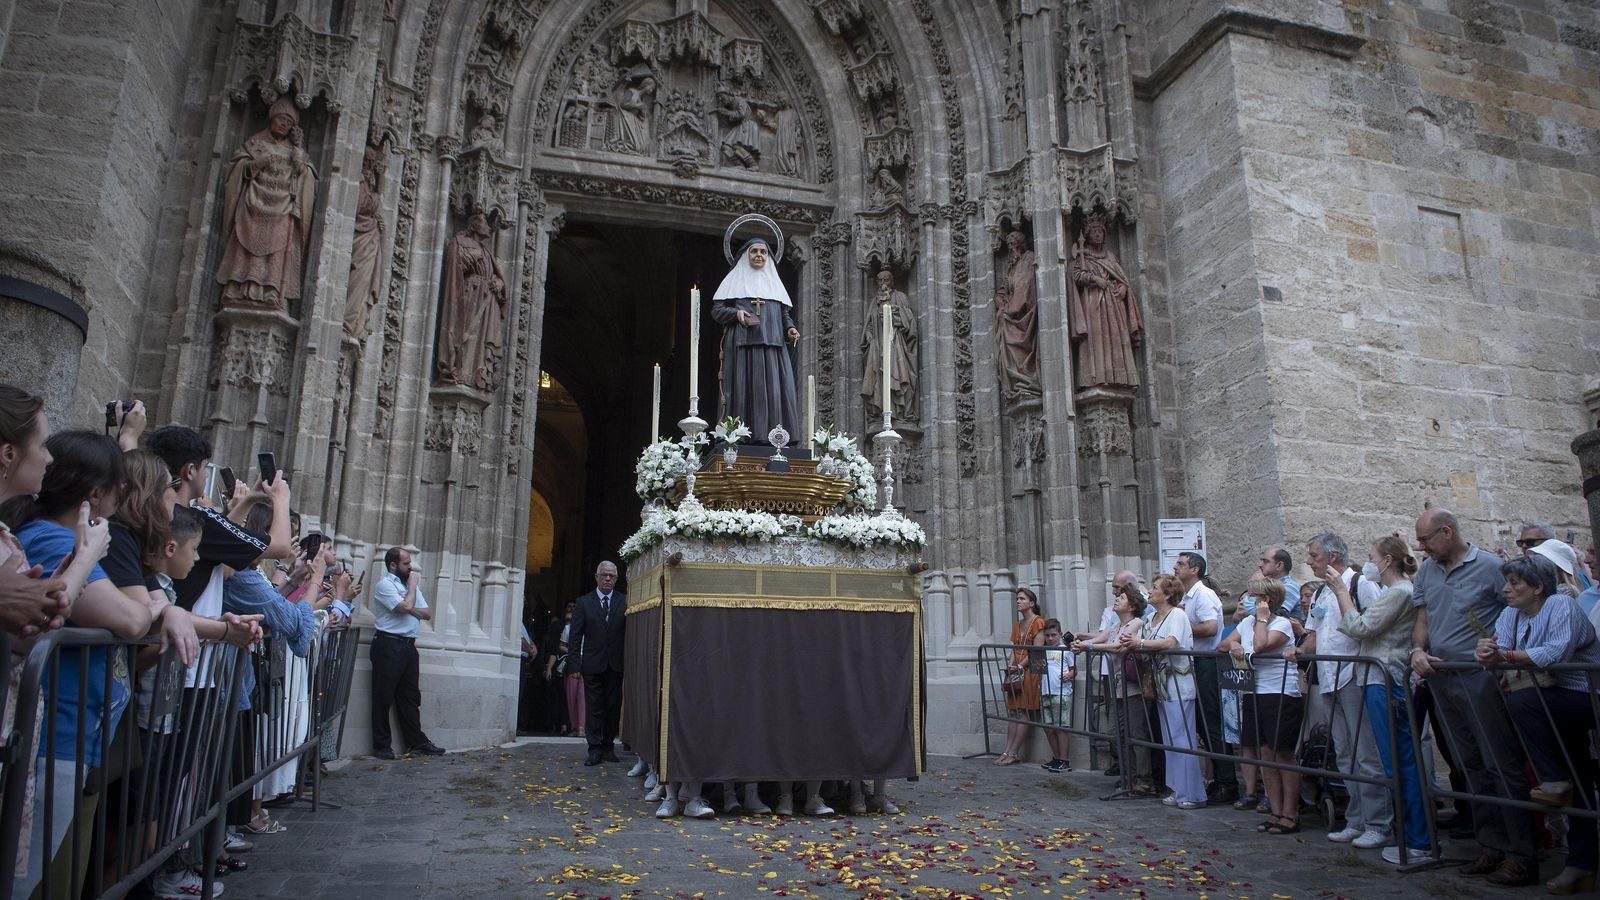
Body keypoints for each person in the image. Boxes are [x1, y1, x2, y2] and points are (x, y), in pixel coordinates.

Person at [4, 432, 151, 898]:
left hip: (73, 736)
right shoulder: (49, 538)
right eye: (120, 486)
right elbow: (132, 617)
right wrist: (90, 557)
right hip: (54, 738)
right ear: (94, 495)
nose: (44, 458)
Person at [1411, 507, 1536, 886]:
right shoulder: (1428, 572)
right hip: (1441, 677)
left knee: (1501, 763)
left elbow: (1515, 613)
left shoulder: (1490, 568)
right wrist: (1418, 651)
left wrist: (1500, 649)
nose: (1420, 548)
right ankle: (1491, 845)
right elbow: (1424, 620)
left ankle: (1521, 854)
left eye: (1425, 540)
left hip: (1481, 678)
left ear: (1447, 532)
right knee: (1469, 764)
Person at [1476, 555, 1600, 894]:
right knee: (1579, 779)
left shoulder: (1561, 604)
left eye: (1515, 582)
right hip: (1549, 704)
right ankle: (1581, 866)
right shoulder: (1510, 614)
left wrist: (1506, 657)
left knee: (1523, 702)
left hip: (1580, 696)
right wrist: (1486, 651)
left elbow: (1555, 653)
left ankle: (1554, 780)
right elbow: (1497, 649)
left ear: (1538, 587)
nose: (1506, 589)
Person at [1325, 535, 1434, 863]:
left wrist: (1342, 592)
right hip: (1377, 678)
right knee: (1394, 760)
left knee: (1400, 760)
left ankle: (1418, 839)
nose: (1368, 561)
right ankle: (1411, 835)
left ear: (1387, 561)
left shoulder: (1400, 592)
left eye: (1371, 556)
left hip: (1385, 679)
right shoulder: (1395, 592)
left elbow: (1360, 628)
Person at [1302, 532, 1390, 848]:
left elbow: (1377, 623)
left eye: (1314, 556)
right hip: (1328, 677)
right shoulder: (1321, 592)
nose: (1310, 561)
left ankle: (1379, 823)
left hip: (1354, 674)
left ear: (1333, 557)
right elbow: (1314, 632)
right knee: (1344, 752)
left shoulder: (1359, 584)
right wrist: (1299, 651)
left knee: (1365, 752)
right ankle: (1357, 819)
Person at [216, 94, 317, 311]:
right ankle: (237, 287)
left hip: (282, 211)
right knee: (246, 244)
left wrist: (299, 150)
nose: (284, 124)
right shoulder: (255, 144)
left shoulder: (294, 151)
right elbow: (238, 168)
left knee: (277, 249)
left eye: (289, 122)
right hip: (253, 206)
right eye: (281, 118)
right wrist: (256, 163)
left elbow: (305, 174)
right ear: (272, 118)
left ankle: (272, 291)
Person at [1220, 577, 1302, 835]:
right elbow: (1224, 644)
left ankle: (1290, 812)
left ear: (1267, 601)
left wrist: (1263, 620)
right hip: (1254, 692)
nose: (1246, 601)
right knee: (1265, 753)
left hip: (1279, 693)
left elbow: (1260, 645)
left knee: (1282, 754)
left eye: (1253, 596)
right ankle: (1276, 810)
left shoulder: (1282, 624)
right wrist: (1233, 643)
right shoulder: (1246, 622)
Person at [710, 239, 801, 442]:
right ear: (746, 256)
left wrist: (791, 328)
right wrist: (737, 313)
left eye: (763, 252)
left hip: (773, 345)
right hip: (742, 345)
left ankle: (774, 437)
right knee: (742, 389)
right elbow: (717, 310)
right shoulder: (734, 280)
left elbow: (784, 313)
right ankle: (739, 436)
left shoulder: (774, 283)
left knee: (775, 391)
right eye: (754, 251)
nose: (759, 255)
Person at [1133, 574, 1204, 809]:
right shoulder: (1152, 618)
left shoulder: (1178, 615)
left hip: (1178, 684)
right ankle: (1176, 787)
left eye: (1154, 588)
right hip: (1162, 686)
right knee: (1170, 738)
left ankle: (1191, 792)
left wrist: (1139, 644)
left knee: (1182, 737)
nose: (1150, 592)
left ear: (1166, 594)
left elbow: (1170, 643)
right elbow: (1139, 638)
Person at [1073, 587, 1151, 794]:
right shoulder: (1116, 625)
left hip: (1133, 688)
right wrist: (1080, 644)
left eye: (1122, 597)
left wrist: (1087, 648)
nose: (1117, 599)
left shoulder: (1136, 623)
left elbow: (1117, 647)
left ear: (1132, 605)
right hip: (1117, 687)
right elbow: (1100, 638)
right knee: (1117, 732)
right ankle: (1129, 775)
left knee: (1137, 733)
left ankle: (1144, 778)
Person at [369, 547, 445, 759]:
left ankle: (416, 742)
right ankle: (382, 745)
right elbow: (404, 607)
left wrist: (408, 603)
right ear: (393, 565)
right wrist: (411, 591)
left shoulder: (406, 586)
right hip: (389, 644)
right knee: (383, 696)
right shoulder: (385, 585)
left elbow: (427, 613)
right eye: (406, 564)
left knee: (410, 696)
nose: (411, 567)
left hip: (408, 646)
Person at [1173, 551, 1235, 803]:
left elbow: (1210, 627)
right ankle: (1217, 779)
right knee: (1202, 722)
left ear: (1195, 570)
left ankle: (1227, 782)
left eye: (1181, 564)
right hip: (1195, 661)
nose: (1175, 567)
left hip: (1207, 661)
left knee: (1212, 721)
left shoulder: (1204, 595)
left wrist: (1181, 629)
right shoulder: (1187, 597)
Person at [568, 560, 625, 766]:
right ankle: (594, 748)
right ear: (597, 577)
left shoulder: (624, 601)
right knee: (594, 707)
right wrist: (574, 665)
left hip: (616, 665)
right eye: (604, 575)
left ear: (617, 579)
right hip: (592, 664)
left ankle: (608, 747)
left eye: (612, 576)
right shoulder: (584, 602)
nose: (608, 579)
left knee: (612, 706)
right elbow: (575, 637)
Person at [994, 587, 1046, 765]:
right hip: (1016, 671)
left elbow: (1036, 650)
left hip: (1030, 671)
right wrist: (1010, 667)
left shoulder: (1038, 622)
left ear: (1031, 603)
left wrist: (1019, 666)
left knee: (1022, 711)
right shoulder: (1017, 625)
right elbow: (1015, 650)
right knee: (1013, 712)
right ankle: (1006, 751)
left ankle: (1014, 753)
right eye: (1017, 599)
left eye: (1022, 599)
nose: (1018, 601)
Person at [1039, 619, 1076, 773]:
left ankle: (1064, 759)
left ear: (1060, 634)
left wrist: (1069, 675)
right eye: (1047, 635)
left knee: (1061, 727)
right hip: (1046, 691)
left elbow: (1074, 670)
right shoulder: (1043, 650)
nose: (1051, 638)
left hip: (1061, 692)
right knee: (1048, 727)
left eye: (1054, 635)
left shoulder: (1066, 650)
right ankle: (1057, 757)